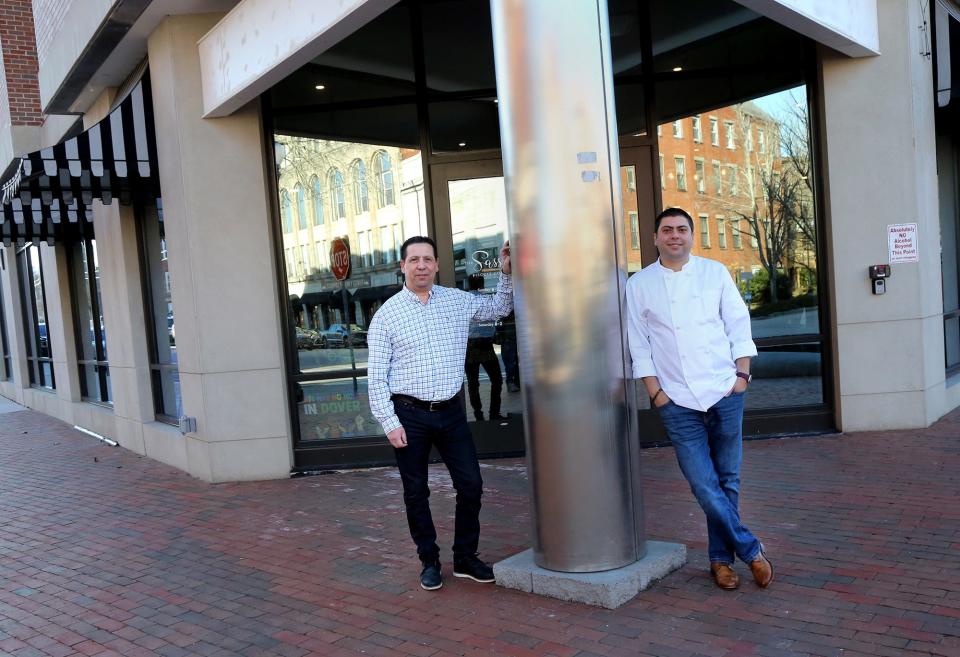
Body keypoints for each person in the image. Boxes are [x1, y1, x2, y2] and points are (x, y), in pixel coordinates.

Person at [625, 207, 773, 591]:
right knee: (704, 485)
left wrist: (742, 376)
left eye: (682, 229)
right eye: (667, 230)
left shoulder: (714, 273)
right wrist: (655, 393)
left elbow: (739, 325)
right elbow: (639, 345)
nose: (675, 235)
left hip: (723, 391)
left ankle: (721, 561)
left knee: (728, 480)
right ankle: (751, 550)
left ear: (692, 236)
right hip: (676, 400)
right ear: (655, 237)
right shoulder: (639, 284)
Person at [367, 236, 513, 591]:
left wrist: (507, 274)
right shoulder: (387, 315)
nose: (421, 265)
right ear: (402, 266)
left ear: (436, 265)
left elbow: (497, 309)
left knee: (472, 485)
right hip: (408, 415)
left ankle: (464, 557)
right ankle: (429, 560)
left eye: (427, 259)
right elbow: (376, 377)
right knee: (416, 493)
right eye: (414, 259)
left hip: (450, 413)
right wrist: (389, 422)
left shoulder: (456, 301)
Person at [464, 274, 505, 422]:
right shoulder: (486, 300)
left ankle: (478, 415)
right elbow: (494, 318)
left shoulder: (464, 301)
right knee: (497, 379)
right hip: (485, 345)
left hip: (469, 345)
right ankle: (494, 413)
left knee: (473, 382)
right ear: (482, 285)